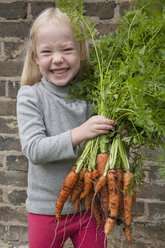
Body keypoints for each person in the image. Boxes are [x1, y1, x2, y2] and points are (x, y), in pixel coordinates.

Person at [17, 7, 116, 248]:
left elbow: (99, 141)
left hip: (88, 208)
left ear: (81, 52)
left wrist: (115, 133)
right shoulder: (30, 96)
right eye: (47, 52)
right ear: (35, 58)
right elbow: (34, 150)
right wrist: (79, 133)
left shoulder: (93, 94)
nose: (58, 58)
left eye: (67, 49)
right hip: (47, 209)